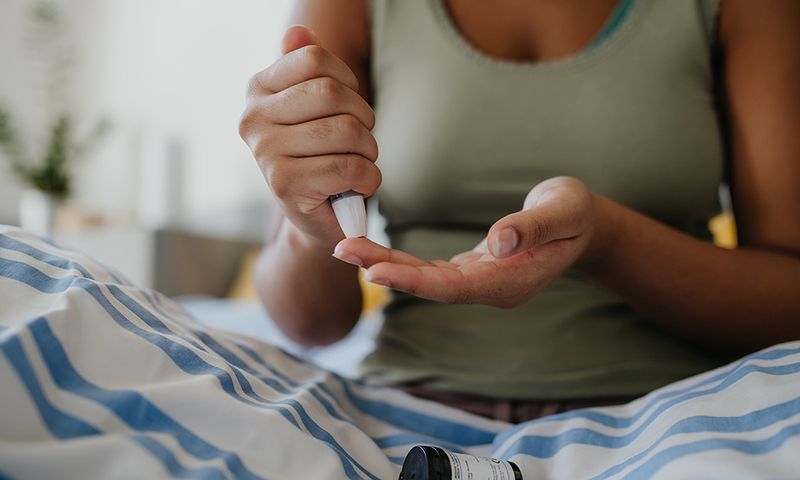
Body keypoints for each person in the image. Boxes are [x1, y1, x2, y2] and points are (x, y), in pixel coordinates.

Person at [238, 0, 800, 423]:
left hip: (670, 415)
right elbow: (308, 324)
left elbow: (787, 303)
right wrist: (313, 233)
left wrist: (605, 240)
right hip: (412, 411)